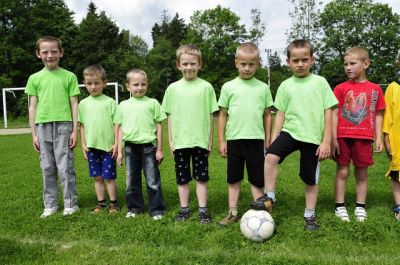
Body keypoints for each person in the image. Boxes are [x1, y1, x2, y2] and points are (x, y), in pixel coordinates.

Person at [250, 39, 338, 230]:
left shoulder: (320, 83)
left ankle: (310, 216)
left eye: (304, 60)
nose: (300, 64)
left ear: (312, 60)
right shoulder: (285, 85)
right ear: (288, 61)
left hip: (313, 137)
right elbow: (280, 113)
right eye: (295, 60)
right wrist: (274, 137)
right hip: (291, 132)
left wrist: (326, 141)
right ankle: (270, 196)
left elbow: (329, 112)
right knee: (271, 156)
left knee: (310, 178)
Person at [217, 42, 273, 226]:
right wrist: (222, 140)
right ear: (236, 63)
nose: (247, 68)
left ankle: (262, 213)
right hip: (234, 139)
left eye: (251, 64)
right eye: (243, 64)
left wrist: (268, 139)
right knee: (234, 178)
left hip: (256, 139)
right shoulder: (228, 87)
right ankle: (232, 212)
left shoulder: (263, 88)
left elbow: (267, 115)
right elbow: (222, 115)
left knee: (257, 178)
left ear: (258, 64)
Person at [162, 44, 218, 224]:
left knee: (201, 178)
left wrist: (210, 140)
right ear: (178, 65)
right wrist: (170, 140)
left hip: (200, 141)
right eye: (185, 64)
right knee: (182, 178)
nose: (189, 67)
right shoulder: (172, 89)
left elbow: (211, 116)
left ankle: (203, 210)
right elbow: (169, 116)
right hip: (180, 142)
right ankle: (184, 209)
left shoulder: (206, 87)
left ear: (200, 64)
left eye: (193, 63)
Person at [25, 36, 80, 218]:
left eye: (54, 51)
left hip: (64, 125)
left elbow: (74, 104)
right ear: (38, 54)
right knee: (47, 167)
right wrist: (34, 134)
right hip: (42, 127)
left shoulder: (69, 76)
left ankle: (70, 204)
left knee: (65, 166)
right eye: (45, 52)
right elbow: (32, 106)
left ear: (61, 53)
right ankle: (50, 205)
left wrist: (74, 130)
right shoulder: (34, 78)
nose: (50, 55)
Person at [331, 46, 385, 222]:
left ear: (366, 63)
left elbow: (378, 113)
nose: (348, 67)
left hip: (364, 138)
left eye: (353, 63)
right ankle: (340, 205)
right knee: (343, 171)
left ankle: (360, 206)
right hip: (342, 137)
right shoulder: (340, 88)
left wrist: (378, 137)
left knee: (361, 173)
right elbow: (333, 114)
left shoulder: (376, 89)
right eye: (345, 64)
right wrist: (333, 138)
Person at [115, 68, 167, 220]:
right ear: (128, 86)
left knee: (152, 180)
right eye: (136, 84)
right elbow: (120, 129)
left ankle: (157, 209)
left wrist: (160, 149)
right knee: (132, 180)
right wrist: (119, 152)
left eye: (143, 84)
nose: (139, 88)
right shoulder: (123, 105)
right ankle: (135, 208)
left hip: (149, 147)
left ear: (147, 85)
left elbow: (159, 126)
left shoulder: (153, 103)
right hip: (130, 147)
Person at [78, 65, 119, 214]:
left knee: (109, 177)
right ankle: (101, 203)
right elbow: (81, 126)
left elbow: (117, 125)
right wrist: (83, 144)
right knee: (97, 177)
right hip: (91, 147)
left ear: (104, 83)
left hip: (108, 147)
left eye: (96, 83)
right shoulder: (83, 104)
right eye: (89, 83)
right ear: (85, 83)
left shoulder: (110, 102)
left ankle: (114, 204)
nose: (93, 86)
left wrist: (116, 144)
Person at [383, 49, 400, 221]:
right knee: (397, 174)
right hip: (398, 141)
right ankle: (399, 206)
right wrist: (386, 140)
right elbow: (387, 117)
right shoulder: (393, 88)